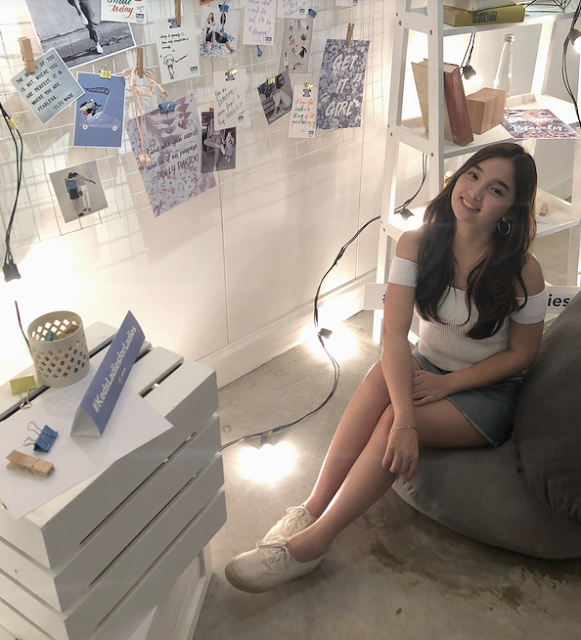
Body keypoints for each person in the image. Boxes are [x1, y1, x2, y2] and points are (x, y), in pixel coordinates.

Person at [225, 143, 547, 593]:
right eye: (473, 175)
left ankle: (312, 545)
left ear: (511, 209)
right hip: (428, 365)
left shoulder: (523, 271)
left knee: (395, 414)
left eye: (496, 189)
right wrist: (410, 415)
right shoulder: (418, 243)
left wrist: (430, 400)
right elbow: (394, 335)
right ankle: (310, 510)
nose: (474, 192)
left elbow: (522, 355)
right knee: (383, 376)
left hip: (485, 392)